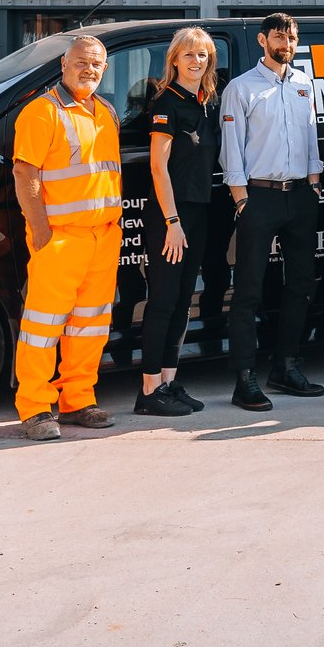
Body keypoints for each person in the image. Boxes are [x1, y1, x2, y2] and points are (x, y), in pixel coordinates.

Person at [9, 34, 122, 441]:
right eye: (80, 62)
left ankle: (78, 400)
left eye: (95, 64)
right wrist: (41, 233)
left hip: (103, 238)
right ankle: (35, 407)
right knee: (43, 326)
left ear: (104, 69)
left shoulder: (105, 111)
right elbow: (25, 174)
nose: (88, 70)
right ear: (63, 65)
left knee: (90, 325)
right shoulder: (42, 112)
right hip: (60, 239)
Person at [219, 12, 324, 411]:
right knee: (248, 290)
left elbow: (311, 137)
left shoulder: (304, 84)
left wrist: (314, 184)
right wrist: (241, 199)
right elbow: (231, 146)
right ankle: (244, 377)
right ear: (264, 40)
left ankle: (285, 366)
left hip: (299, 195)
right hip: (258, 197)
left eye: (293, 36)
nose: (287, 42)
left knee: (300, 285)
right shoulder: (241, 88)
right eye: (280, 36)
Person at [133, 28, 218, 417]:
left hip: (199, 211)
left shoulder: (206, 102)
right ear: (174, 60)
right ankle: (149, 390)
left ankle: (168, 380)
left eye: (202, 55)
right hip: (171, 214)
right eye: (188, 55)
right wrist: (172, 221)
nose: (196, 61)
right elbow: (158, 166)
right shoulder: (166, 102)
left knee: (184, 301)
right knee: (165, 300)